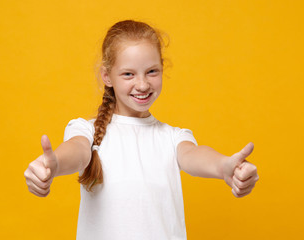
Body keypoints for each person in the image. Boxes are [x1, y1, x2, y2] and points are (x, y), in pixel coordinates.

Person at [24, 20, 259, 240]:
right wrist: (53, 166)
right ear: (107, 76)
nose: (143, 84)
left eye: (151, 71)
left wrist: (224, 166)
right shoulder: (86, 130)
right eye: (128, 74)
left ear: (162, 68)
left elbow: (193, 155)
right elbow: (76, 151)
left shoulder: (173, 137)